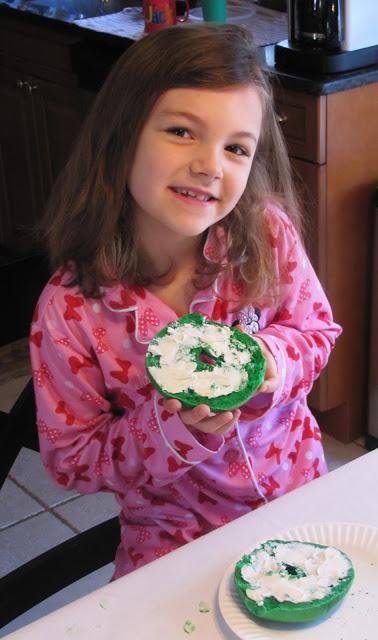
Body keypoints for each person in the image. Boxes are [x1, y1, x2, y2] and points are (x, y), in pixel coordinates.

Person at [30, 24, 341, 579]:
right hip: (173, 536)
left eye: (236, 147)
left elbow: (317, 331)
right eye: (180, 130)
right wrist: (173, 430)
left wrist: (274, 359)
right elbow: (73, 460)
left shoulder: (266, 237)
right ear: (121, 135)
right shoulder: (72, 309)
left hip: (301, 497)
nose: (210, 165)